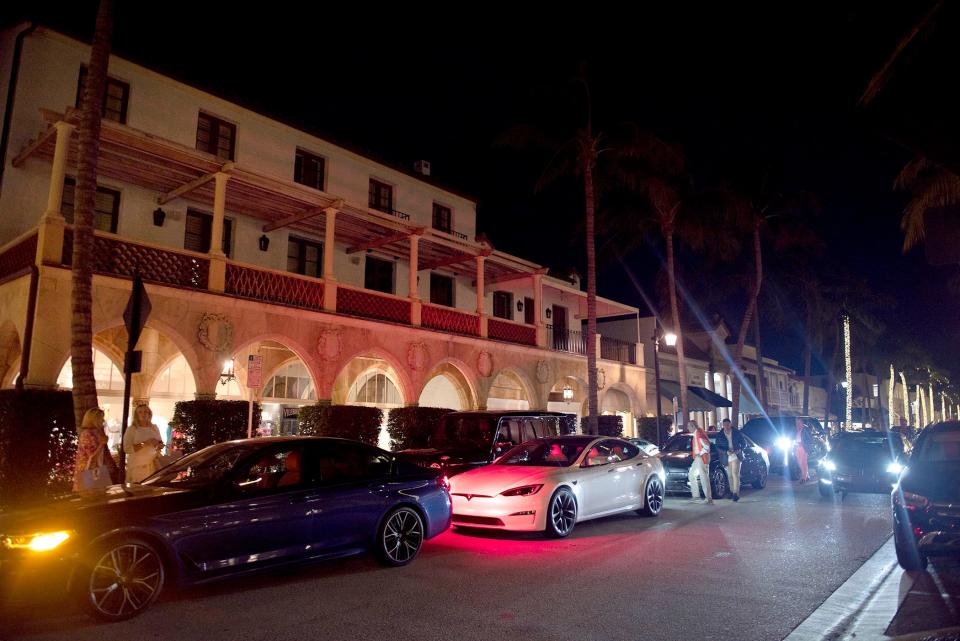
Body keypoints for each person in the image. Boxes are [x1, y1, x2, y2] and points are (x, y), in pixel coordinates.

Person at [73, 407, 119, 491]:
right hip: (88, 470)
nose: (103, 420)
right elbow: (92, 456)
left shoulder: (98, 432)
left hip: (98, 469)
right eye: (101, 418)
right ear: (94, 419)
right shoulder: (87, 434)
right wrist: (102, 443)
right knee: (90, 495)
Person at [124, 404, 164, 483]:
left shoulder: (154, 427)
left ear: (149, 414)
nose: (143, 414)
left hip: (153, 464)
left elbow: (160, 444)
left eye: (146, 412)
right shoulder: (132, 429)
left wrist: (158, 444)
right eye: (140, 412)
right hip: (138, 466)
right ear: (136, 414)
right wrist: (144, 443)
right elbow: (127, 449)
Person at [716, 418, 746, 501]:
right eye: (725, 425)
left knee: (735, 474)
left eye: (728, 425)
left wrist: (739, 449)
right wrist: (725, 451)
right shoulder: (720, 435)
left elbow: (744, 443)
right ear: (723, 425)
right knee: (729, 475)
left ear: (730, 424)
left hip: (736, 455)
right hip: (726, 457)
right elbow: (717, 447)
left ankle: (736, 493)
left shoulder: (736, 433)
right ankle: (732, 491)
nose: (726, 426)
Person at [687, 420, 713, 504]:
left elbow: (707, 446)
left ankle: (708, 498)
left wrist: (699, 454)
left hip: (701, 457)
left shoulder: (699, 433)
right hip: (699, 457)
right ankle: (696, 496)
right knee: (693, 475)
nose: (688, 428)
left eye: (689, 426)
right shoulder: (698, 433)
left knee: (703, 477)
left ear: (693, 426)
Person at [794, 417, 811, 483]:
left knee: (803, 463)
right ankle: (807, 476)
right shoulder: (797, 429)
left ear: (802, 422)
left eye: (798, 422)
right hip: (797, 447)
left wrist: (802, 444)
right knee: (800, 463)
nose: (797, 424)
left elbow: (810, 439)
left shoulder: (806, 429)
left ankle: (803, 478)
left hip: (803, 448)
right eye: (796, 422)